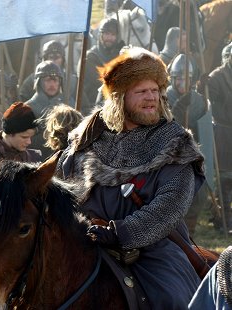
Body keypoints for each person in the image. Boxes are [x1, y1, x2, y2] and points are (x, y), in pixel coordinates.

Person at [58, 47, 204, 309]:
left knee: (174, 299)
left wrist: (120, 233)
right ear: (120, 97)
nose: (151, 98)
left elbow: (169, 206)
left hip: (152, 249)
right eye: (141, 91)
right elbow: (60, 186)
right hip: (83, 240)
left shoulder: (174, 142)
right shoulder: (87, 137)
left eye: (155, 90)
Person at [166, 53, 209, 234]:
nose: (182, 83)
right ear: (173, 79)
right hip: (170, 154)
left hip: (192, 152)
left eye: (186, 79)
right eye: (179, 79)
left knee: (199, 193)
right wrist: (176, 113)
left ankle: (189, 229)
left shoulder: (198, 99)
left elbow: (203, 127)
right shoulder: (164, 97)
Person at [205, 41, 232, 233]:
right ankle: (223, 219)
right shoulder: (216, 77)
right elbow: (208, 100)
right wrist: (204, 85)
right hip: (223, 132)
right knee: (224, 178)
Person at [80, 17, 124, 114]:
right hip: (94, 106)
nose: (109, 38)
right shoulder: (90, 57)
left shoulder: (121, 55)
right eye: (106, 34)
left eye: (113, 34)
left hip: (117, 105)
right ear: (100, 35)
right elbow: (101, 82)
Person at [26, 60, 65, 158]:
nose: (52, 84)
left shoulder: (64, 107)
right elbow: (24, 140)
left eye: (55, 80)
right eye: (48, 80)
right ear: (39, 82)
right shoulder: (27, 108)